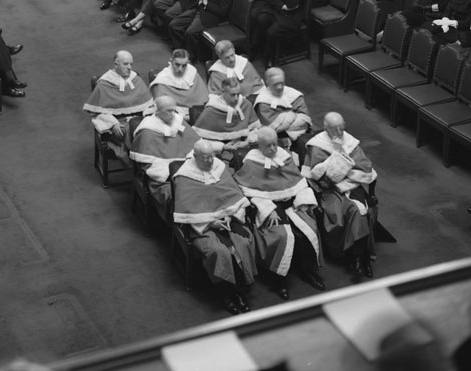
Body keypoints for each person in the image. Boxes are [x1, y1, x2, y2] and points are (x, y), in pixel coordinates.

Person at [234, 127, 324, 299]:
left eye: (275, 144)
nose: (274, 149)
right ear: (259, 146)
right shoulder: (252, 162)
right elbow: (249, 191)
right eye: (268, 146)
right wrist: (268, 209)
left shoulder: (284, 156)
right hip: (270, 208)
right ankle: (278, 279)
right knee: (281, 236)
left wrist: (302, 201)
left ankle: (307, 271)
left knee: (308, 231)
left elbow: (298, 181)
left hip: (292, 204)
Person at [171, 139, 256, 313]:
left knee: (243, 243)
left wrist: (231, 215)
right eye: (205, 158)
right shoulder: (185, 175)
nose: (210, 161)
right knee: (220, 252)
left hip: (228, 220)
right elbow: (187, 208)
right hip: (202, 227)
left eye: (211, 156)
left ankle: (239, 289)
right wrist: (210, 222)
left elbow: (232, 195)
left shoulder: (218, 167)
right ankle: (225, 293)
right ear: (195, 157)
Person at [302, 112, 379, 277]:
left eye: (341, 127)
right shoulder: (318, 145)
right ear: (325, 128)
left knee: (359, 211)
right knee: (342, 215)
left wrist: (345, 170)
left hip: (352, 187)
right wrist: (337, 159)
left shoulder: (350, 142)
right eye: (334, 128)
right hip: (329, 191)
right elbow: (318, 175)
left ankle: (358, 257)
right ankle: (353, 256)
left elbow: (364, 166)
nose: (339, 131)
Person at [128, 95, 200, 215]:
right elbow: (148, 166)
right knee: (181, 195)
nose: (172, 114)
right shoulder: (147, 130)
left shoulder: (178, 121)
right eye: (168, 111)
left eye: (174, 110)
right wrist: (172, 173)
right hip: (162, 178)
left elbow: (194, 144)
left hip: (186, 167)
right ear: (158, 111)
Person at [82, 50, 155, 135]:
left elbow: (149, 105)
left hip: (140, 120)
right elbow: (96, 113)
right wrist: (113, 123)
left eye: (131, 64)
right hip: (119, 123)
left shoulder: (136, 79)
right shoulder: (104, 84)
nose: (129, 67)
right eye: (125, 64)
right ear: (116, 64)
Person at [252, 67, 312, 154]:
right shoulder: (262, 101)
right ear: (268, 83)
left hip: (301, 136)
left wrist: (283, 119)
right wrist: (293, 115)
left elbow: (305, 119)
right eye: (276, 84)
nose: (280, 87)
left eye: (282, 83)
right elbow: (273, 128)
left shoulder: (294, 94)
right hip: (275, 141)